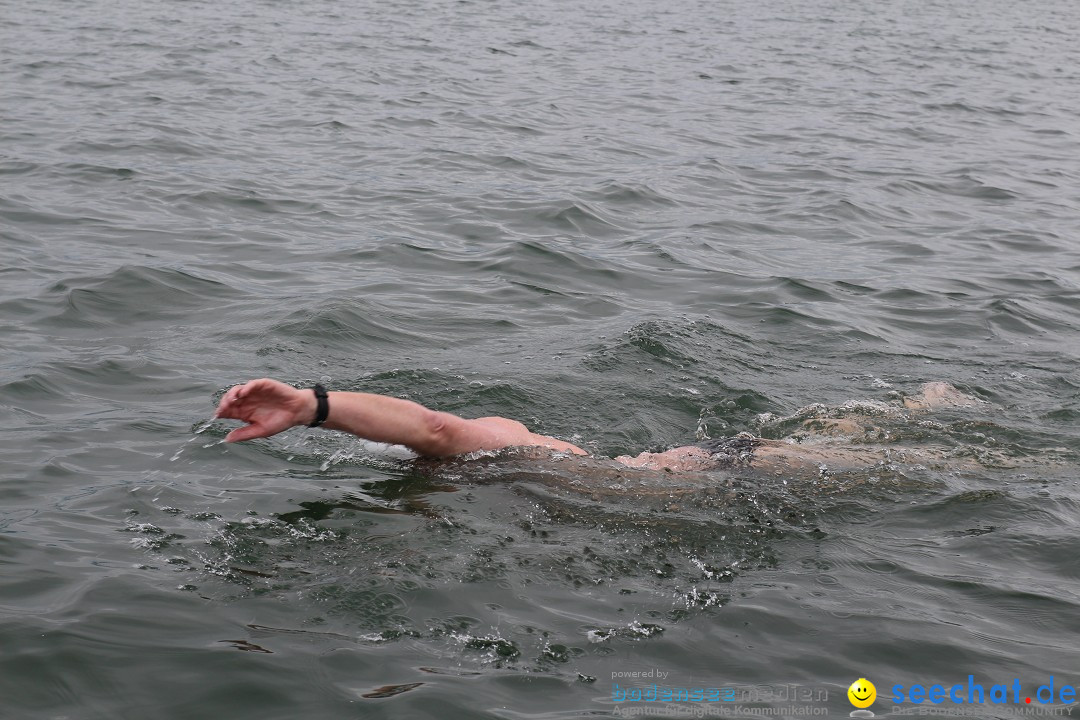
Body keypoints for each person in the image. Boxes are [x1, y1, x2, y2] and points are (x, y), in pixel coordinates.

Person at [214, 378, 994, 474]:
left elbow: (435, 428)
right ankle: (928, 402)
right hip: (710, 465)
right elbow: (425, 427)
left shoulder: (481, 447)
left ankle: (940, 420)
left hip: (713, 478)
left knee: (961, 468)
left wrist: (312, 407)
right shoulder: (484, 449)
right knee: (855, 436)